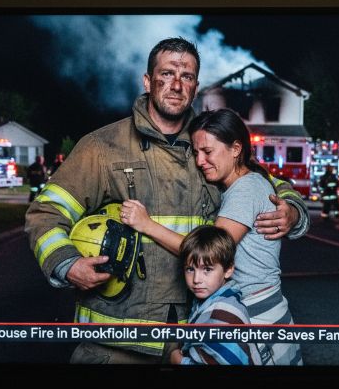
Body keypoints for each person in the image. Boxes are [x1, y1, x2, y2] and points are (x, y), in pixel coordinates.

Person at [25, 37, 309, 364]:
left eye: (186, 76)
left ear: (195, 87)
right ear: (148, 81)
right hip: (117, 342)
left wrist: (293, 212)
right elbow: (46, 212)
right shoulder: (103, 147)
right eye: (166, 74)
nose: (176, 85)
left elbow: (261, 180)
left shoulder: (207, 142)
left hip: (194, 338)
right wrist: (67, 264)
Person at [121, 107, 302, 365]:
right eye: (196, 153)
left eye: (208, 151)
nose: (200, 161)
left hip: (256, 316)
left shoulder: (245, 189)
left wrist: (146, 224)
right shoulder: (240, 184)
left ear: (236, 149)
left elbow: (209, 252)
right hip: (248, 310)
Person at [171, 225, 251, 366]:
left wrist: (179, 361)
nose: (196, 279)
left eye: (207, 269)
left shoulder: (223, 314)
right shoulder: (208, 302)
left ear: (228, 269)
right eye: (190, 269)